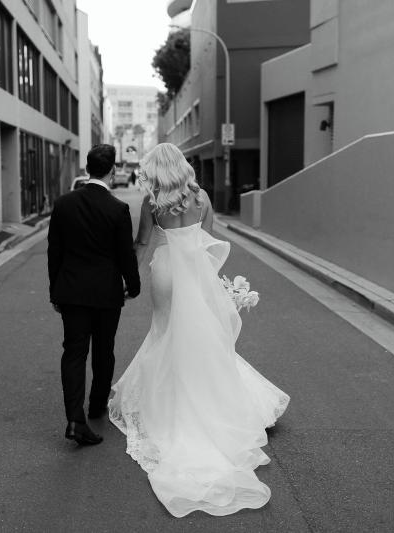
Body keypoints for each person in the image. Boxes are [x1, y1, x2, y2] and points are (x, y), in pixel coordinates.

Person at [108, 143, 290, 517]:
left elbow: (143, 242)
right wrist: (211, 280)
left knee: (165, 332)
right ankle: (209, 398)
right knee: (202, 336)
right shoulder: (201, 197)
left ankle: (171, 396)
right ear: (182, 166)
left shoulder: (152, 200)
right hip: (196, 273)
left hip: (166, 272)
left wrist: (126, 275)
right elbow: (207, 242)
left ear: (156, 169)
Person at [47, 144, 141, 446]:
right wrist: (134, 284)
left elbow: (54, 253)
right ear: (112, 171)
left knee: (74, 353)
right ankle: (98, 405)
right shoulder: (117, 209)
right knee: (104, 350)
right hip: (106, 293)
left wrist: (55, 291)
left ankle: (75, 420)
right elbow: (125, 254)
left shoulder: (63, 204)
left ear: (87, 169)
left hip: (71, 291)